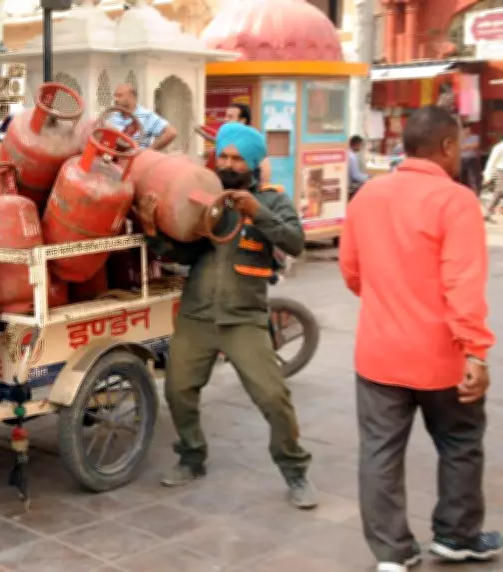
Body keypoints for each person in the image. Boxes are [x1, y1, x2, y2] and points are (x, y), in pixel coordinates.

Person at [338, 105, 500, 572]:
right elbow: (463, 284)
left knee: (379, 452)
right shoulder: (455, 200)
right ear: (447, 146)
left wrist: (390, 297)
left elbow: (351, 271)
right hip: (441, 357)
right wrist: (476, 351)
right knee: (461, 442)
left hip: (379, 355)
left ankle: (392, 553)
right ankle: (456, 535)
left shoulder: (368, 195)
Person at [132, 122, 316, 509]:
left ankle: (295, 470)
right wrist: (153, 231)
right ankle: (192, 457)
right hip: (198, 313)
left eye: (237, 159)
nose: (228, 164)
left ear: (251, 163)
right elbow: (181, 255)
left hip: (244, 317)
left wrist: (258, 212)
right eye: (224, 156)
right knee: (179, 390)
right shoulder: (203, 197)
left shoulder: (272, 199)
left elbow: (296, 242)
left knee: (273, 396)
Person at [110, 83, 178, 150]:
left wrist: (148, 152)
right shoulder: (111, 117)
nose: (116, 99)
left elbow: (171, 132)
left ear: (131, 97)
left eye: (119, 96)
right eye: (115, 96)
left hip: (136, 159)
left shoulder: (147, 116)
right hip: (113, 158)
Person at [224, 102, 272, 185]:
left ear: (242, 121)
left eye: (230, 117)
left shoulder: (253, 140)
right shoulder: (226, 140)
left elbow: (264, 168)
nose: (225, 119)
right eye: (226, 116)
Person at [483, 136, 503, 221]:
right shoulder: (499, 147)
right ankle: (487, 212)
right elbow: (491, 161)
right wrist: (487, 174)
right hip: (500, 170)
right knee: (500, 190)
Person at [460, 119, 481, 194]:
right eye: (465, 129)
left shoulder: (475, 137)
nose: (467, 131)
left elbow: (475, 145)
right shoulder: (459, 138)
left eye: (468, 129)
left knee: (473, 179)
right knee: (462, 179)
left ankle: (476, 194)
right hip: (461, 160)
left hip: (471, 159)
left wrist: (464, 147)